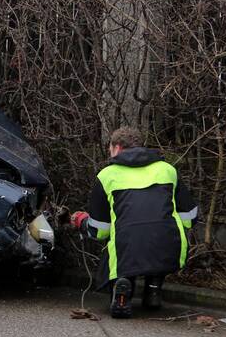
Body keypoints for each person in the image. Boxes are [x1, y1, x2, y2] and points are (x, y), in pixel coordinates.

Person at [71, 126, 198, 319]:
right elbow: (190, 217)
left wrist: (81, 220)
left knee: (119, 241)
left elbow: (100, 231)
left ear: (117, 148)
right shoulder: (167, 170)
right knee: (157, 234)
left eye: (110, 149)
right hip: (168, 247)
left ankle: (123, 288)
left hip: (128, 246)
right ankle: (153, 290)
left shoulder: (107, 176)